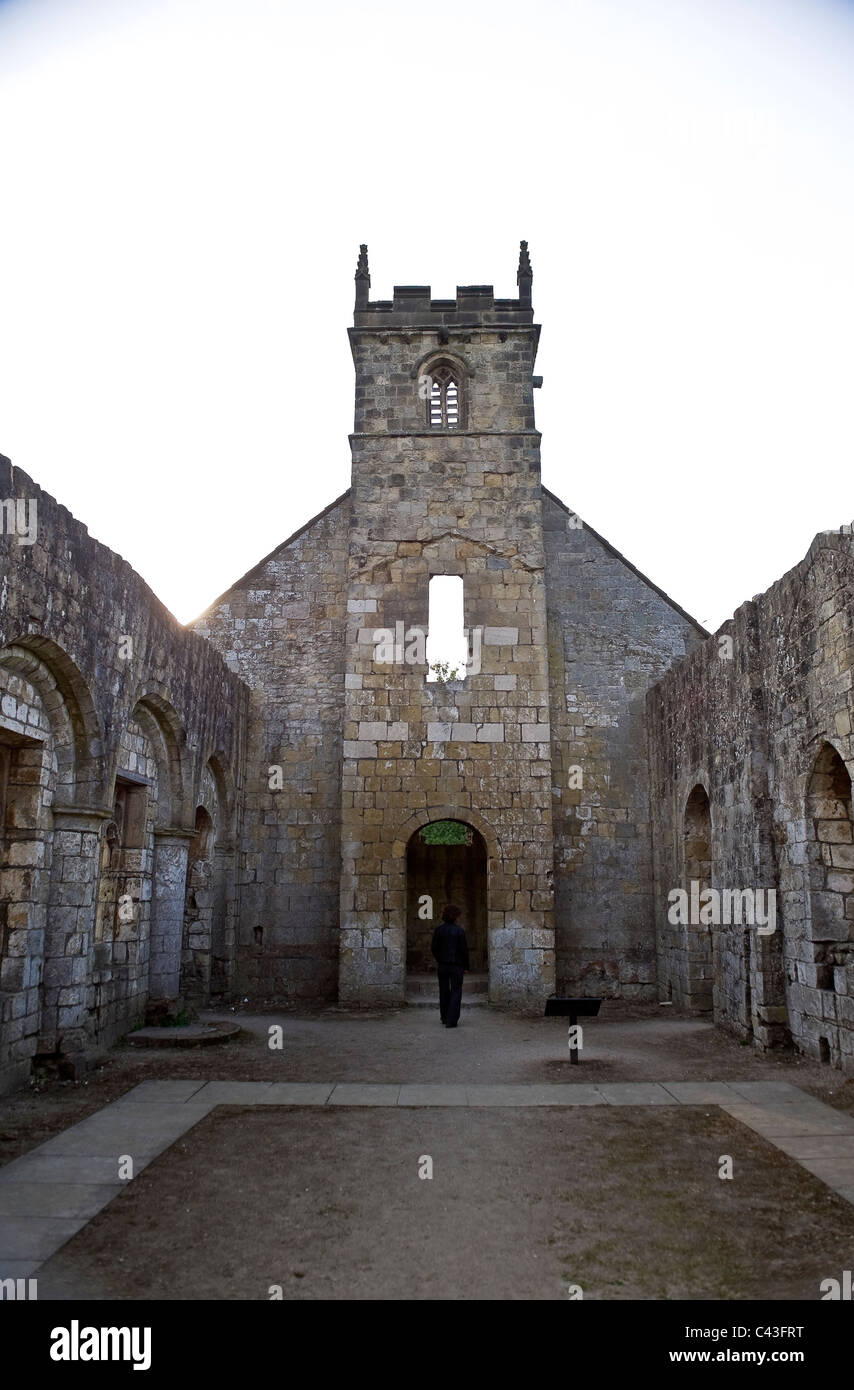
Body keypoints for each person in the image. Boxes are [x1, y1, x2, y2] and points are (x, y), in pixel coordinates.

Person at [430, 903, 469, 1028]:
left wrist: (439, 959)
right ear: (456, 917)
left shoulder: (439, 930)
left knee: (444, 991)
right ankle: (452, 1020)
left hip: (443, 965)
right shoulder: (460, 931)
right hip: (456, 966)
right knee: (456, 991)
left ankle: (444, 1017)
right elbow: (464, 951)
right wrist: (466, 966)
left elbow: (434, 948)